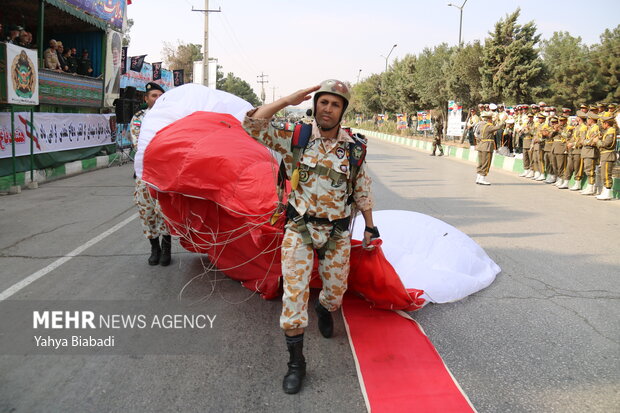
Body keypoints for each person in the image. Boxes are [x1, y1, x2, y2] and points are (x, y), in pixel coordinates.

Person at [243, 79, 377, 395]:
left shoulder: (354, 148)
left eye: (335, 104)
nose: (327, 109)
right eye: (323, 102)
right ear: (315, 104)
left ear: (343, 110)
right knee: (294, 294)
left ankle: (324, 309)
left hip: (336, 232)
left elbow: (362, 188)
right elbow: (252, 125)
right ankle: (296, 363)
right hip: (300, 230)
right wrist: (286, 99)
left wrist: (370, 226)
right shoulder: (297, 138)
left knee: (336, 291)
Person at [130, 82, 173, 266]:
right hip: (144, 173)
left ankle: (166, 248)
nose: (157, 99)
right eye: (153, 95)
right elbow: (137, 143)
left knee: (164, 211)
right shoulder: (139, 118)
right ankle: (154, 247)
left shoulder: (171, 117)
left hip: (165, 173)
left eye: (160, 95)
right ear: (145, 98)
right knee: (146, 211)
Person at [475, 112, 504, 185]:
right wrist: (503, 121)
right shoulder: (488, 126)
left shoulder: (480, 125)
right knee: (486, 163)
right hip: (487, 147)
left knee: (480, 163)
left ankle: (478, 177)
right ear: (489, 119)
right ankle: (482, 178)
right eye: (491, 119)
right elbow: (498, 127)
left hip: (481, 146)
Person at [596, 116, 617, 200]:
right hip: (605, 155)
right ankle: (605, 191)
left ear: (606, 123)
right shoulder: (607, 131)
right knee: (604, 174)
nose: (602, 125)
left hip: (608, 155)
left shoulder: (611, 131)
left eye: (603, 123)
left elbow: (606, 144)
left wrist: (597, 141)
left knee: (607, 174)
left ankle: (607, 193)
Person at [580, 112, 600, 195]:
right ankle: (589, 186)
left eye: (588, 119)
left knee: (590, 170)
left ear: (591, 119)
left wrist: (584, 142)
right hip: (587, 151)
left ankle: (591, 187)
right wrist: (585, 141)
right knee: (587, 170)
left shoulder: (595, 128)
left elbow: (592, 141)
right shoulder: (590, 127)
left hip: (591, 151)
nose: (587, 120)